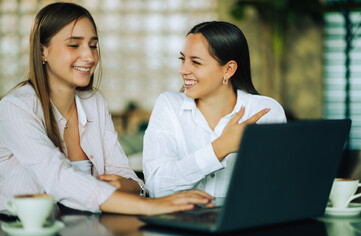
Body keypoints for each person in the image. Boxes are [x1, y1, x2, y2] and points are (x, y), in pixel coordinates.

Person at [0, 2, 213, 215]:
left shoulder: (94, 103)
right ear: (42, 52)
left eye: (93, 45)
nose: (90, 56)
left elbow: (128, 178)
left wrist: (125, 185)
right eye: (74, 45)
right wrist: (150, 205)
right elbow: (58, 178)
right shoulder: (15, 108)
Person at [143, 21, 287, 198]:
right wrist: (218, 149)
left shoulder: (266, 111)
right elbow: (156, 187)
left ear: (228, 70)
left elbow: (276, 189)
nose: (182, 70)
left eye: (195, 62)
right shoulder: (169, 105)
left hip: (245, 223)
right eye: (182, 59)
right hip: (180, 223)